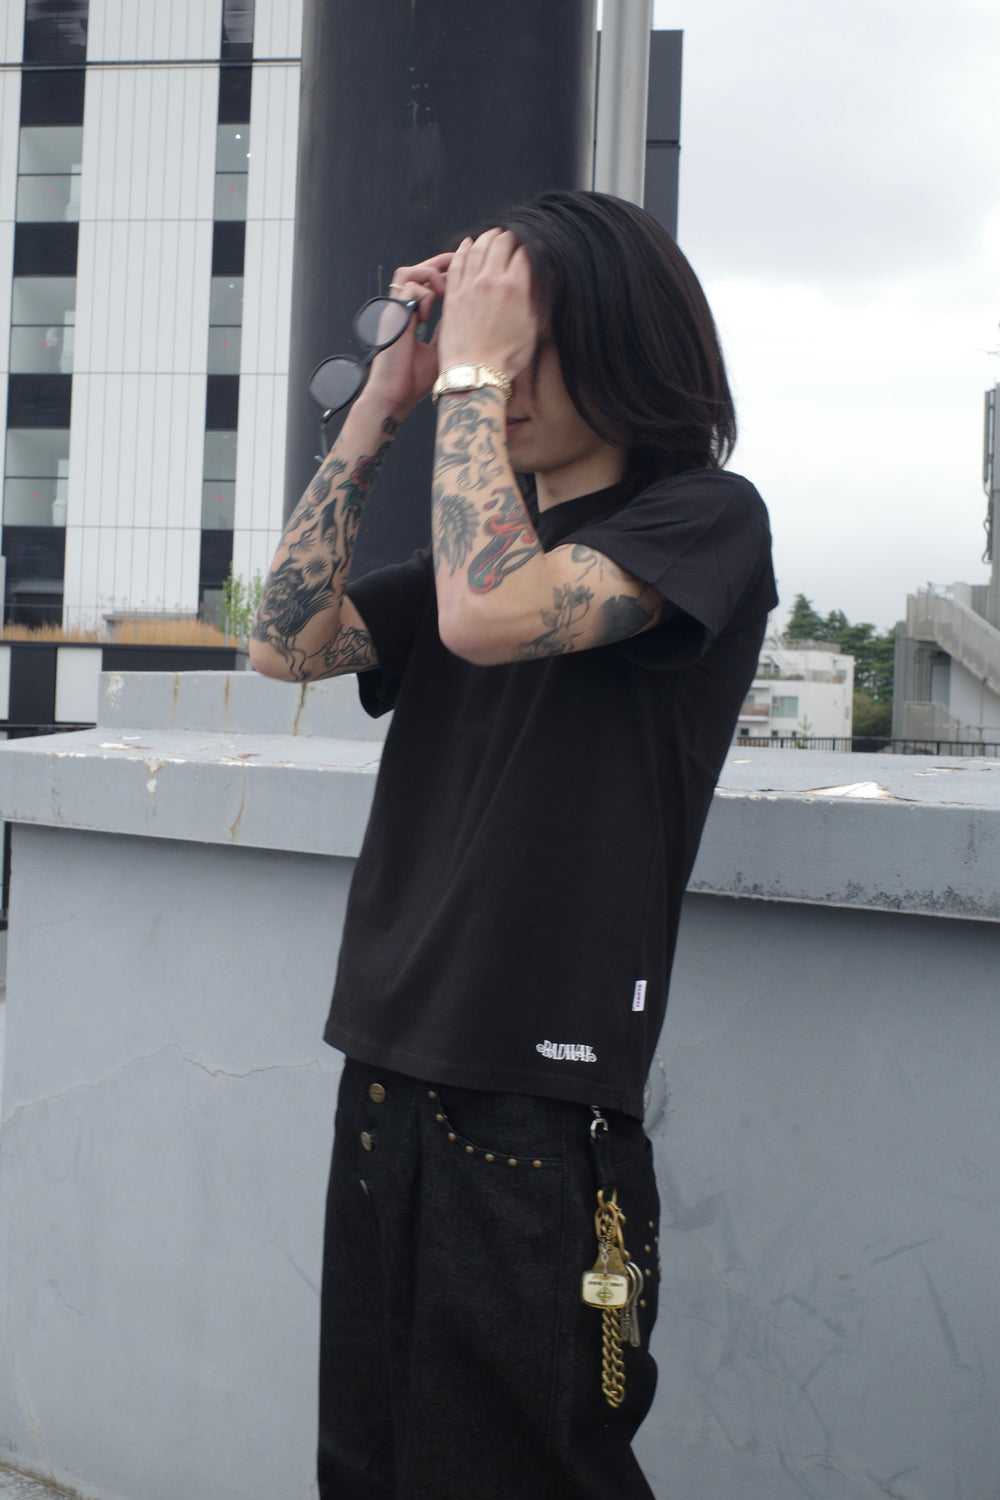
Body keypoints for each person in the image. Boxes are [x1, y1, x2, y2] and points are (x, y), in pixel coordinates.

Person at [250, 188, 777, 1500]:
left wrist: (473, 377)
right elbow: (281, 642)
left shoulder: (702, 520)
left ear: (624, 343)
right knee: (369, 1472)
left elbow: (492, 616)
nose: (495, 377)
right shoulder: (471, 559)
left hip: (537, 1109)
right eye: (491, 349)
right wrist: (386, 400)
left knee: (522, 1477)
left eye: (527, 345)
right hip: (387, 1069)